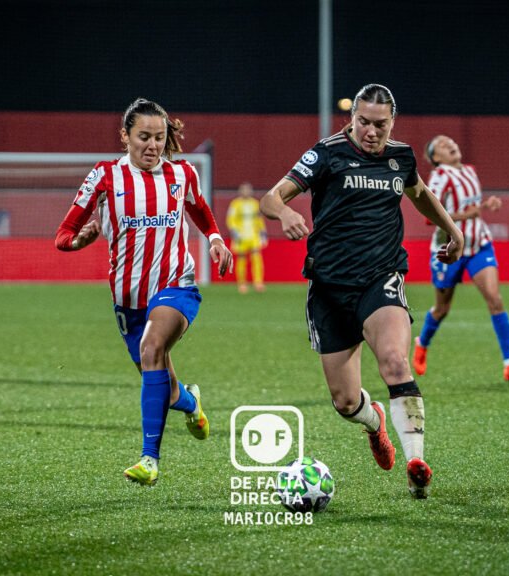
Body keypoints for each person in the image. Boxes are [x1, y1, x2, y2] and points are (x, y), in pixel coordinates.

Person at [260, 84, 463, 500]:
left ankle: (416, 465)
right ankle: (374, 423)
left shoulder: (401, 157)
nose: (371, 132)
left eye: (380, 125)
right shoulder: (326, 153)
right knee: (345, 401)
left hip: (380, 278)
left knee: (395, 362)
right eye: (364, 122)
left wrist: (452, 229)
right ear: (352, 118)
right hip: (329, 288)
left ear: (393, 122)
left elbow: (419, 193)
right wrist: (284, 212)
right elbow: (271, 197)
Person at [54, 98, 233, 486]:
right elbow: (63, 234)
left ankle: (149, 460)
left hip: (176, 285)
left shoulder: (182, 173)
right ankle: (191, 403)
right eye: (144, 137)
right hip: (128, 301)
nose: (153, 146)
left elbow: (200, 209)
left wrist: (216, 239)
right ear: (125, 136)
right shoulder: (104, 176)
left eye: (159, 137)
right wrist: (78, 242)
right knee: (165, 388)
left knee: (152, 348)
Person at [412, 136, 509, 384]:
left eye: (449, 140)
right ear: (436, 158)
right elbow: (429, 217)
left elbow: (474, 206)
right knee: (442, 309)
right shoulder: (440, 177)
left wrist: (487, 205)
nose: (449, 144)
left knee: (495, 300)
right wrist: (471, 213)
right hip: (449, 249)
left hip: (478, 244)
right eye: (442, 145)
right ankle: (422, 342)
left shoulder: (470, 170)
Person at [226, 181, 267, 293]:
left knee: (256, 258)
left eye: (248, 189)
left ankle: (258, 282)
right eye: (244, 189)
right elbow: (230, 219)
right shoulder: (235, 204)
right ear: (240, 191)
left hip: (253, 235)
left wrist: (263, 232)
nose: (246, 192)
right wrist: (234, 231)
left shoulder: (255, 203)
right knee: (241, 259)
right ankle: (242, 283)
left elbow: (259, 219)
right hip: (241, 236)